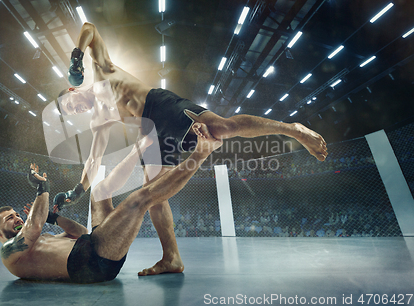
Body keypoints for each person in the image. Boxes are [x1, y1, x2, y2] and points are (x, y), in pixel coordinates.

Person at [54, 21, 328, 276]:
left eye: (72, 104)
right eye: (72, 112)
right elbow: (93, 160)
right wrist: (77, 190)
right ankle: (171, 258)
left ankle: (292, 128)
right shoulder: (98, 120)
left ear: (72, 89)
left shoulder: (103, 71)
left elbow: (89, 29)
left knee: (222, 128)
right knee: (155, 193)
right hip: (150, 132)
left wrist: (75, 57)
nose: (77, 109)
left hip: (161, 106)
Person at [0, 123, 222, 283]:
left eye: (16, 214)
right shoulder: (9, 252)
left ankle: (139, 149)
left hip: (91, 245)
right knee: (138, 200)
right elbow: (34, 226)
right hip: (94, 265)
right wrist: (42, 187)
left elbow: (80, 232)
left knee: (99, 191)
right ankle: (202, 153)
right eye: (10, 218)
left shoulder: (41, 240)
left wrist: (53, 217)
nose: (17, 218)